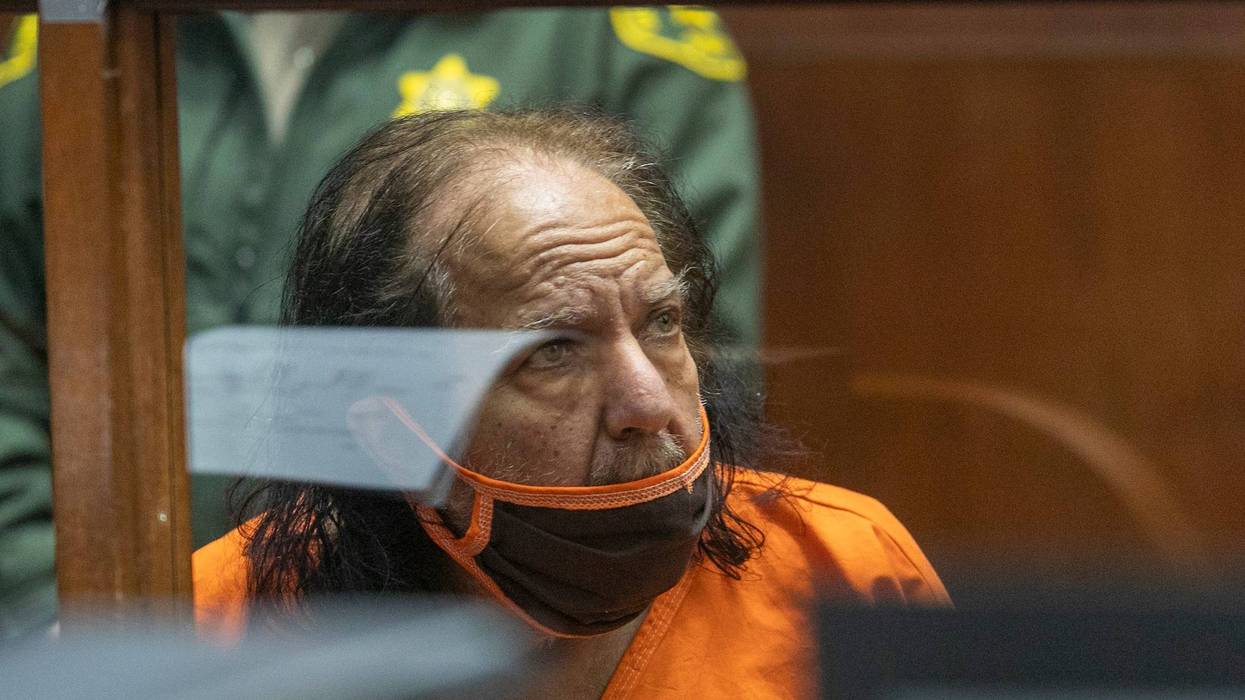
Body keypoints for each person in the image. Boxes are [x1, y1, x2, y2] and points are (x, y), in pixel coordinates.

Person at [0, 8, 762, 638]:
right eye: (552, 347)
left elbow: (686, 344)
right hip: (135, 614)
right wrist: (72, 628)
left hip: (518, 605)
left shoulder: (602, 30)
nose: (642, 390)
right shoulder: (71, 35)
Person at [193, 109, 949, 698]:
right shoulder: (216, 628)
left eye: (661, 323)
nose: (647, 402)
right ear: (397, 439)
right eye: (553, 351)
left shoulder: (844, 569)